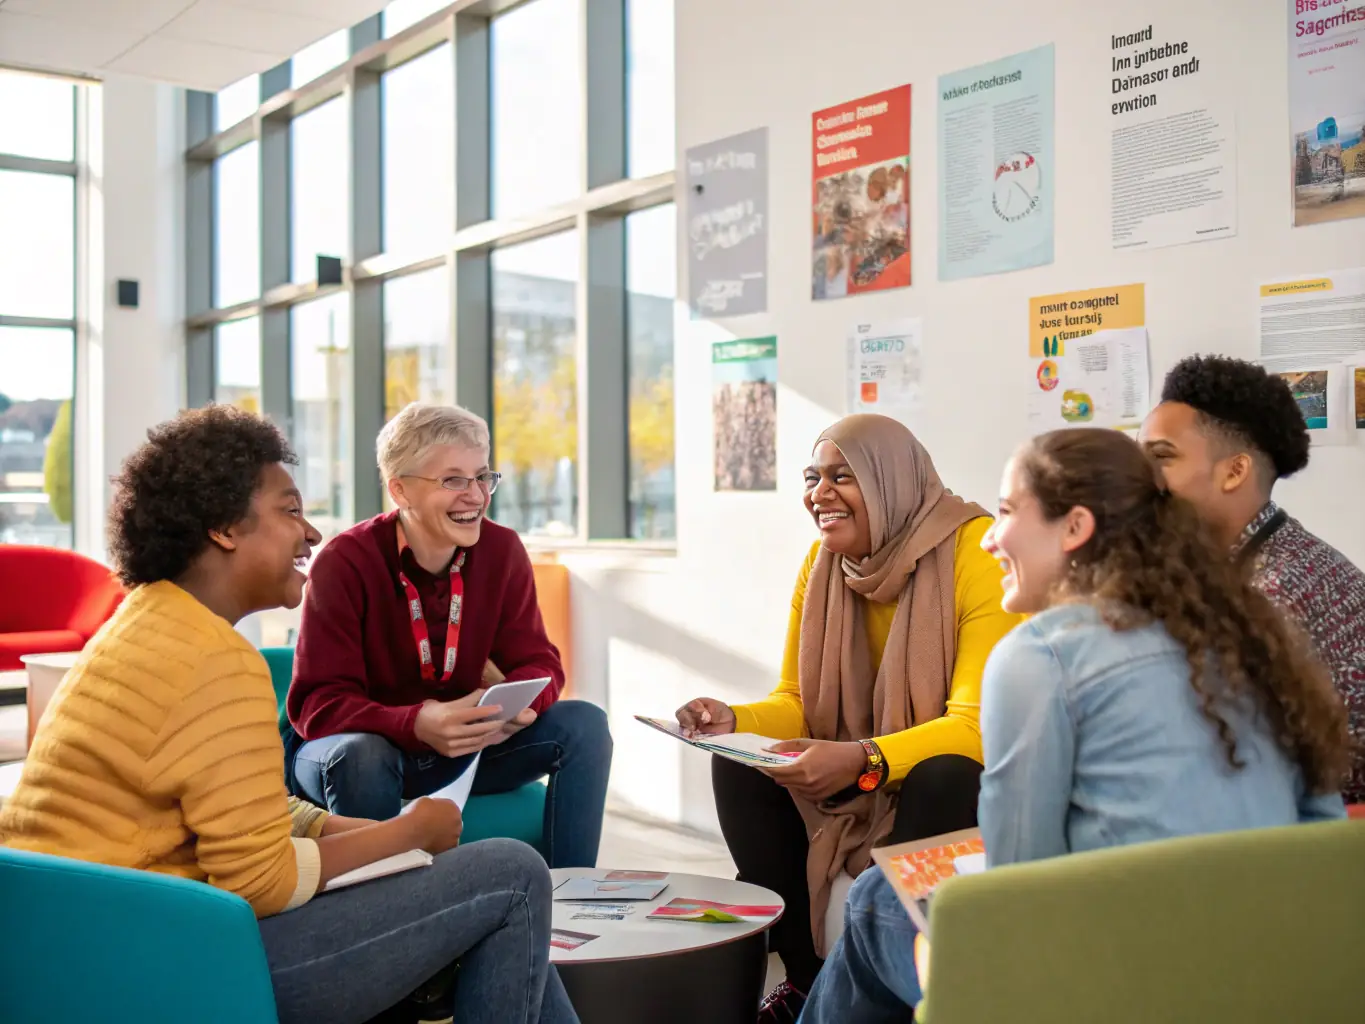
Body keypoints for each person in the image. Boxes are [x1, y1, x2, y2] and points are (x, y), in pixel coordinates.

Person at [0, 406, 578, 1024]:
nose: (312, 534)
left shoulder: (147, 626)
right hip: (160, 960)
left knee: (476, 881)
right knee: (512, 873)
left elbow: (248, 810)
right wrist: (409, 835)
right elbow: (262, 881)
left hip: (70, 941)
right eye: (290, 510)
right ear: (225, 527)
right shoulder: (216, 663)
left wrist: (389, 839)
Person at [799, 428, 1349, 1024]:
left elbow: (1020, 892)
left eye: (1007, 511)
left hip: (1113, 987)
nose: (989, 538)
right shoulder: (1259, 640)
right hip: (1277, 976)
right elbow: (1322, 831)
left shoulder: (1041, 654)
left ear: (1075, 528)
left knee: (876, 898)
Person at [676, 414, 1021, 1022]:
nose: (819, 494)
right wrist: (734, 719)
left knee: (945, 773)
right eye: (812, 478)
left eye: (843, 476)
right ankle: (807, 988)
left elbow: (976, 726)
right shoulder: (823, 566)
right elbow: (797, 702)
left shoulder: (977, 553)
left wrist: (863, 759)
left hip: (945, 780)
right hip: (859, 773)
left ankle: (905, 987)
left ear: (892, 480)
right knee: (740, 766)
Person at [288, 402, 611, 868]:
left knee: (584, 724)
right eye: (453, 480)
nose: (476, 495)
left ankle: (569, 902)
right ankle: (383, 919)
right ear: (400, 490)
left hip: (463, 746)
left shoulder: (501, 550)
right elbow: (318, 705)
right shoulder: (345, 561)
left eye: (482, 477)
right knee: (363, 755)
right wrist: (416, 722)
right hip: (359, 753)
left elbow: (540, 663)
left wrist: (516, 707)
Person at [1140, 355, 1365, 803]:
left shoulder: (1275, 593)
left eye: (1162, 458)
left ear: (1235, 471)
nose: (1145, 480)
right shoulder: (1262, 557)